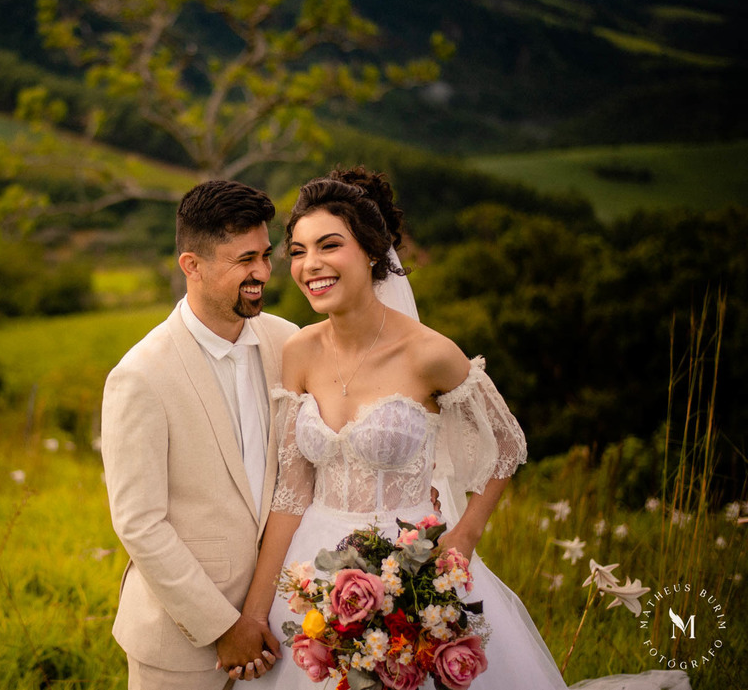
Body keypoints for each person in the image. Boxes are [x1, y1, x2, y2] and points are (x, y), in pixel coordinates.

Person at [231, 167, 690, 690]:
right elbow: (291, 495)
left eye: (329, 246)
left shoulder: (429, 353)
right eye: (296, 250)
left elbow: (506, 445)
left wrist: (463, 535)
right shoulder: (300, 351)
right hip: (310, 570)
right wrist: (254, 613)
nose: (310, 265)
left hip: (412, 567)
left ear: (373, 253)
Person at [101, 179, 299, 689]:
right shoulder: (139, 375)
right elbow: (140, 524)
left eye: (265, 255)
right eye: (243, 261)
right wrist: (223, 626)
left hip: (283, 632)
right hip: (179, 646)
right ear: (192, 265)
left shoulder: (288, 342)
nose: (261, 273)